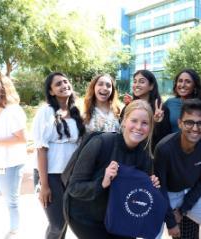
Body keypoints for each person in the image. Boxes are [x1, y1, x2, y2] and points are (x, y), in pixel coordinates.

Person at [66, 100, 160, 239]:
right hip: (86, 217)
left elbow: (136, 199)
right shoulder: (101, 143)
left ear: (150, 127)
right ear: (124, 121)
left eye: (145, 123)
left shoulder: (145, 158)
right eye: (134, 120)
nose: (139, 127)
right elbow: (74, 188)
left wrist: (150, 188)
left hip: (118, 219)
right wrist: (102, 182)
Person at [155, 98, 201, 239]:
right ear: (180, 123)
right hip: (163, 195)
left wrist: (182, 211)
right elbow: (159, 187)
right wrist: (171, 222)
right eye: (189, 122)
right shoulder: (164, 148)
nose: (195, 128)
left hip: (187, 193)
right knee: (152, 234)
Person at [32, 72, 85, 239]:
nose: (64, 85)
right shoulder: (46, 112)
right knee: (57, 223)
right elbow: (41, 149)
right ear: (51, 91)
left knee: (68, 221)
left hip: (70, 176)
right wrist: (44, 184)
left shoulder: (76, 113)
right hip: (50, 175)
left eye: (65, 81)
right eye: (58, 84)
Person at [0, 75, 27, 238]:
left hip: (10, 163)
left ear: (1, 88)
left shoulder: (14, 110)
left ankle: (14, 231)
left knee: (11, 201)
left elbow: (21, 138)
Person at [120, 70, 171, 149]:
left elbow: (164, 139)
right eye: (134, 81)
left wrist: (156, 122)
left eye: (141, 82)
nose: (136, 85)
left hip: (151, 156)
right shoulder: (129, 107)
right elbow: (121, 132)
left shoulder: (161, 110)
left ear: (151, 86)